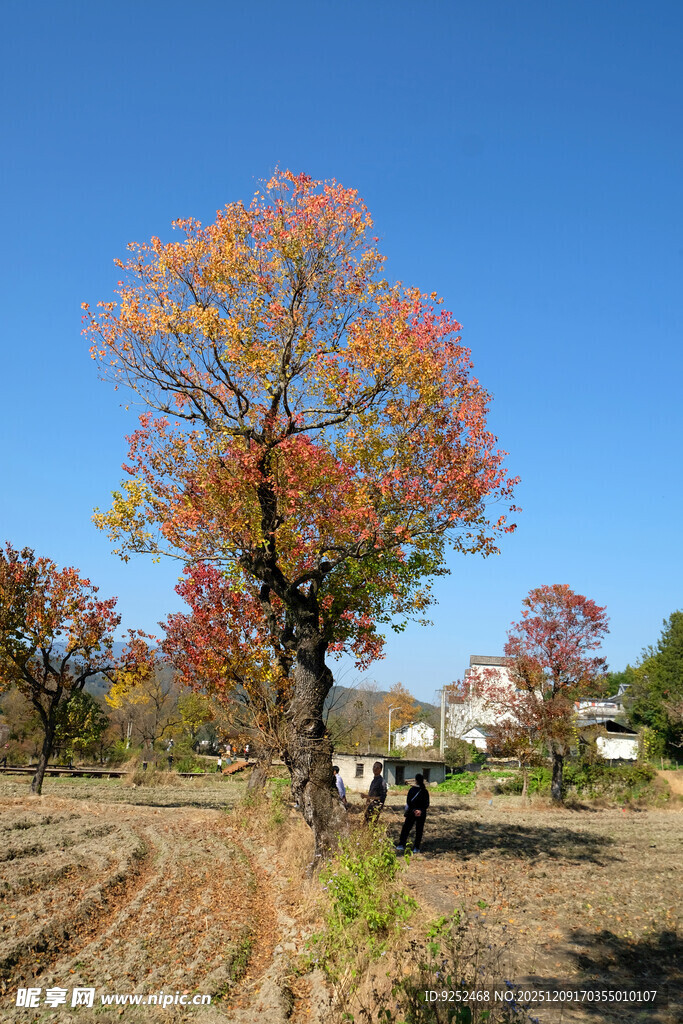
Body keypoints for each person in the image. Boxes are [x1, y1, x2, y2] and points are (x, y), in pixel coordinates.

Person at [396, 773, 430, 854]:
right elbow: (426, 804)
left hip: (411, 812)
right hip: (421, 814)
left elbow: (408, 802)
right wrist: (420, 810)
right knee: (419, 830)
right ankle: (416, 847)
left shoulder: (412, 790)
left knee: (406, 829)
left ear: (416, 781)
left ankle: (401, 844)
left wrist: (414, 810)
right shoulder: (425, 791)